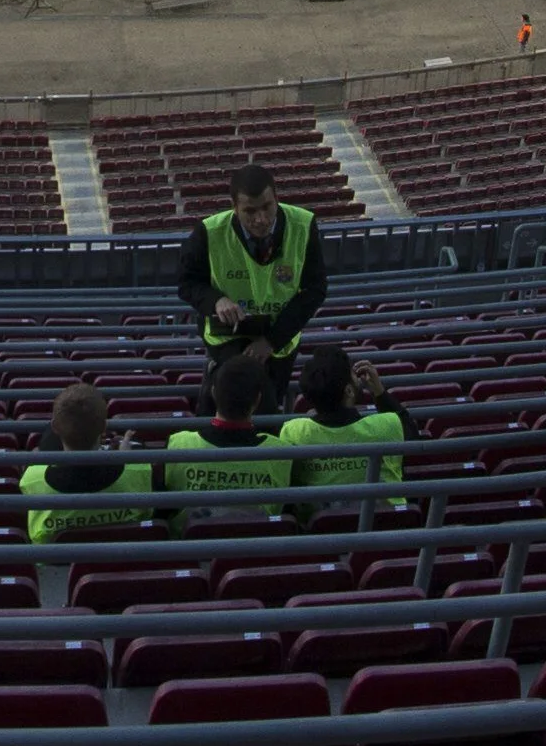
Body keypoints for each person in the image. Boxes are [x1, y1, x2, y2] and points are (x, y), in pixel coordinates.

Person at [173, 161, 327, 363]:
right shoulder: (208, 232)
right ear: (234, 207)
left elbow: (315, 289)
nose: (261, 219)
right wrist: (216, 300)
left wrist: (271, 341)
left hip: (279, 339)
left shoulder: (304, 225)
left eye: (267, 207)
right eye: (250, 211)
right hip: (227, 338)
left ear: (277, 199)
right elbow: (187, 283)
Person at [275, 344, 413, 517]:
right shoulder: (387, 424)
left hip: (322, 537)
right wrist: (379, 392)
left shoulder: (293, 431)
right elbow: (413, 437)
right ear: (348, 390)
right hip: (387, 532)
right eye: (353, 376)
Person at [157, 350, 297, 517]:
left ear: (214, 392)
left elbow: (161, 514)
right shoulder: (282, 454)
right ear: (258, 400)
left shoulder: (177, 445)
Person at [20, 382, 153, 543]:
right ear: (104, 427)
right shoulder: (139, 469)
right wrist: (125, 459)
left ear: (55, 427)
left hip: (56, 566)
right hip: (124, 563)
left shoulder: (33, 478)